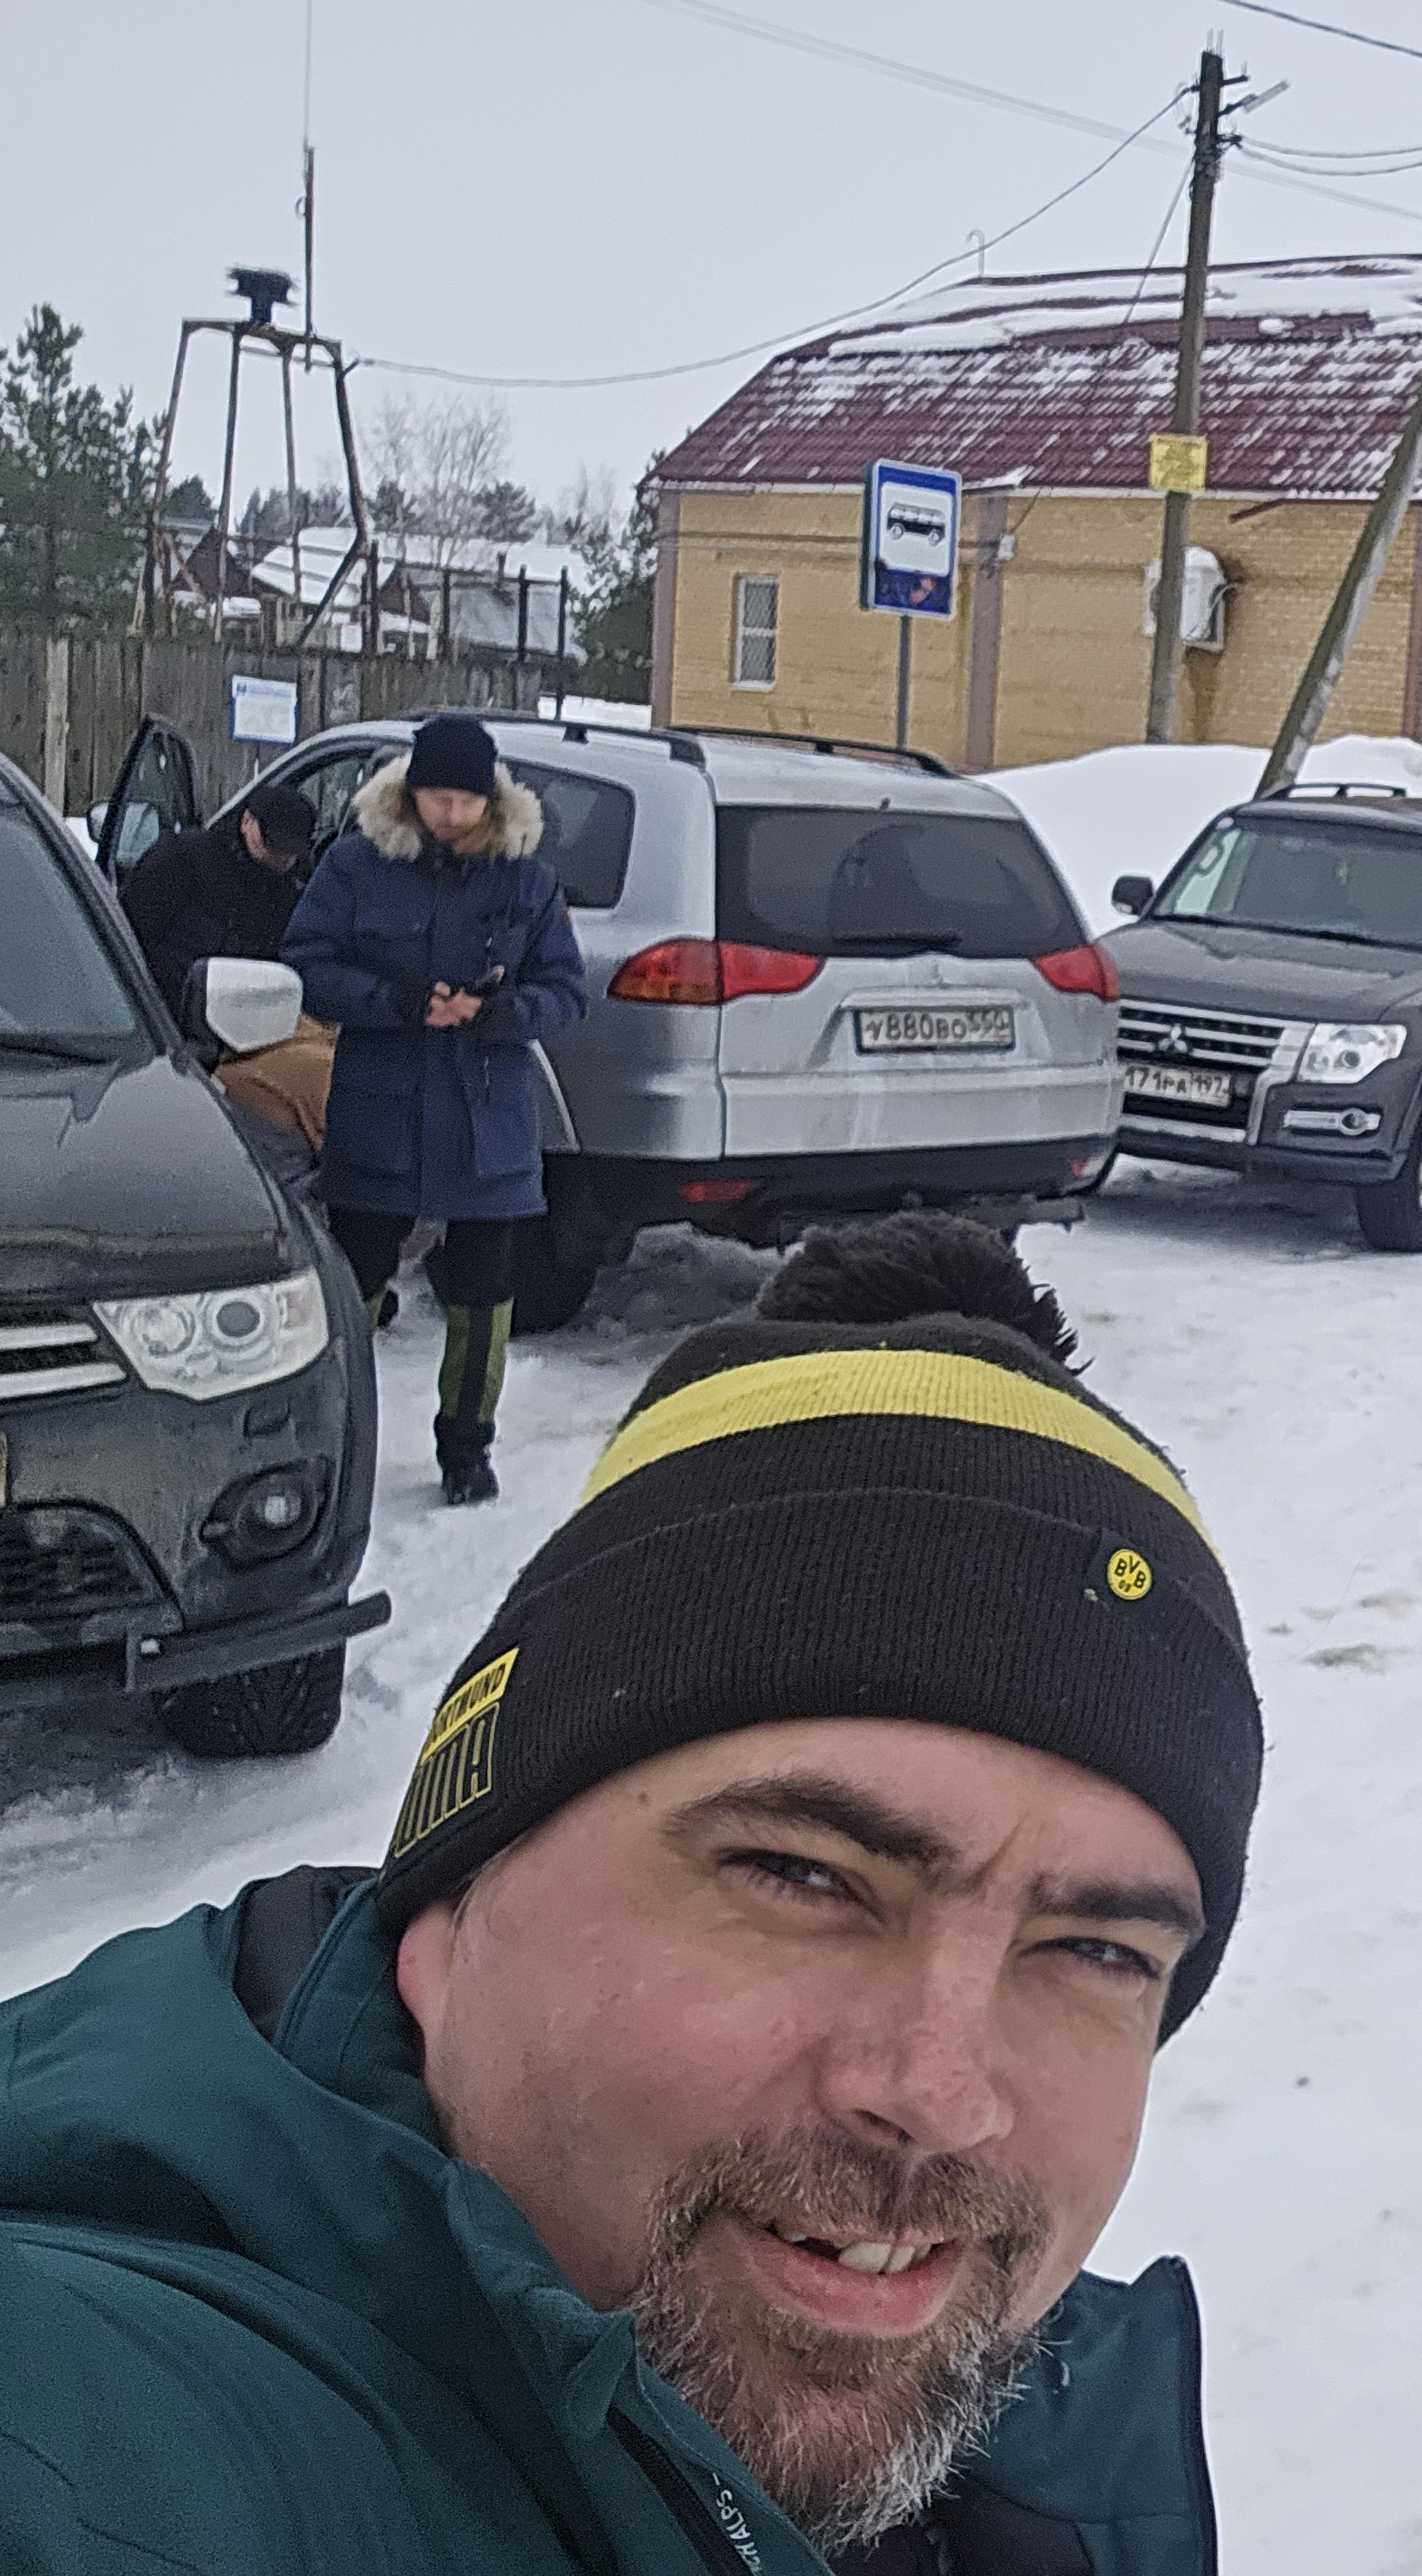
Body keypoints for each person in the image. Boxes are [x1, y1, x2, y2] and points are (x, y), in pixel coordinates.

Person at [0, 1213, 1264, 2576]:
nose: (940, 2096)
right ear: (450, 1910)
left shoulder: (1039, 2468)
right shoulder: (131, 2419)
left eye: (1097, 1949)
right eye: (802, 1876)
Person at [284, 714, 588, 1505]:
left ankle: (466, 1448)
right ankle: (334, 1441)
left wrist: (504, 1013)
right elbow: (306, 963)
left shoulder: (527, 878)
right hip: (380, 1115)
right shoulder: (356, 863)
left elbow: (566, 989)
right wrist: (392, 999)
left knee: (485, 1292)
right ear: (410, 794)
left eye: (466, 801)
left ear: (491, 800)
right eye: (437, 798)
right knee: (355, 1282)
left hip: (488, 1120)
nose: (451, 815)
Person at [118, 780, 337, 1145]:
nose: (281, 858)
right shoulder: (184, 860)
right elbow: (128, 936)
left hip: (257, 1035)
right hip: (165, 1020)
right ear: (247, 822)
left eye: (290, 851)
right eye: (272, 845)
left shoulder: (297, 888)